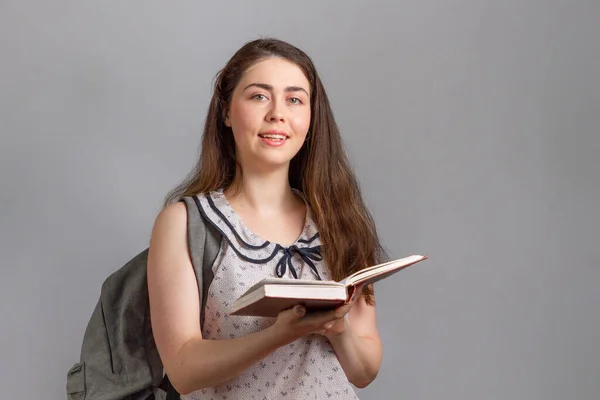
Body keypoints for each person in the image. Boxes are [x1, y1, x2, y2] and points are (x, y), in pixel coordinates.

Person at [147, 37, 387, 400]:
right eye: (259, 96)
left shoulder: (340, 222)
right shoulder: (185, 223)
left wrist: (338, 328)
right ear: (226, 112)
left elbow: (364, 371)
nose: (278, 113)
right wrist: (279, 333)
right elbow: (182, 369)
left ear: (311, 117)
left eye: (294, 99)